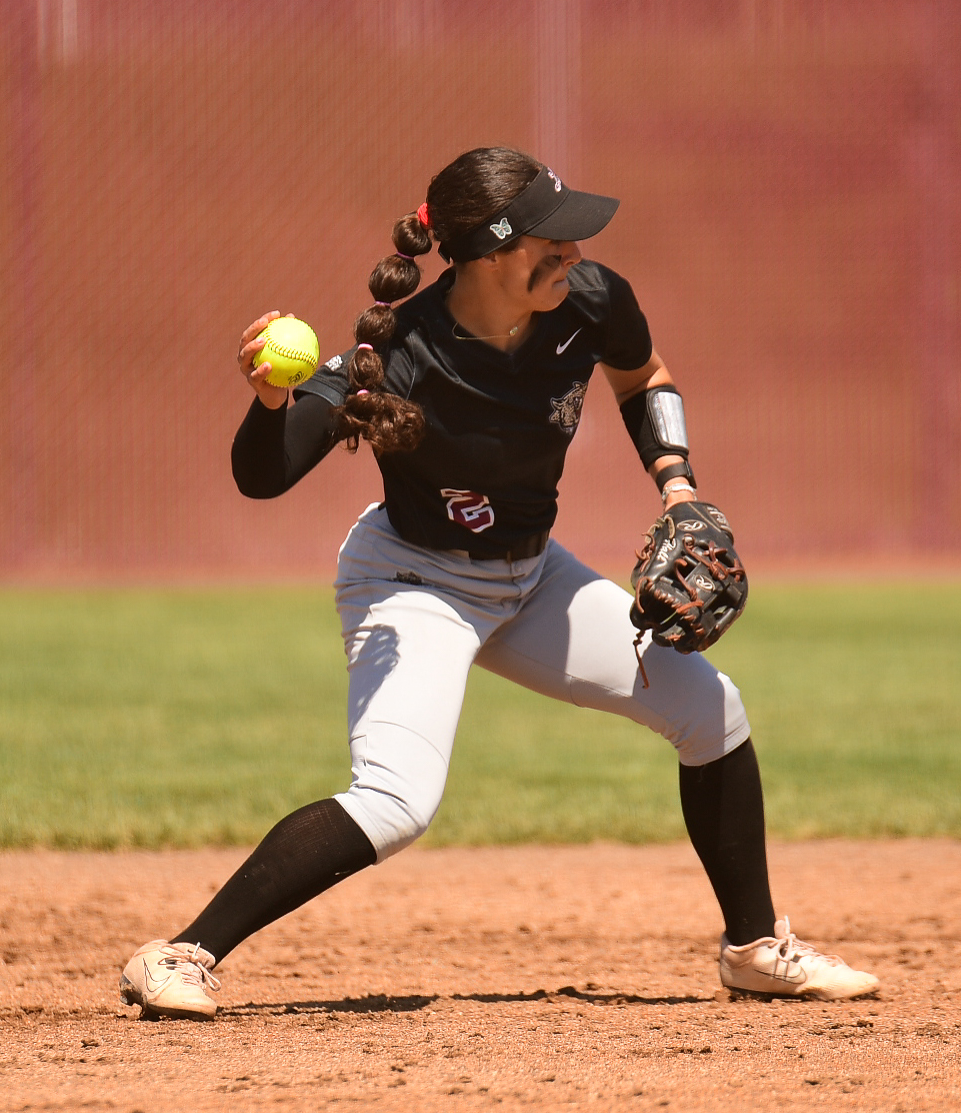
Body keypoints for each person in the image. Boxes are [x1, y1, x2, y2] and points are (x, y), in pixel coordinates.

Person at [118, 147, 878, 1020]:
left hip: (530, 574)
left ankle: (753, 948)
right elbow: (265, 474)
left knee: (712, 711)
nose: (573, 256)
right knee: (397, 799)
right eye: (550, 243)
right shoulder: (397, 352)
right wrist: (269, 401)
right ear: (486, 254)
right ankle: (180, 953)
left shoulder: (589, 305)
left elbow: (645, 377)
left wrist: (678, 482)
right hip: (412, 582)